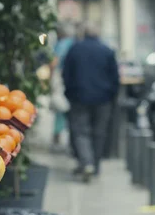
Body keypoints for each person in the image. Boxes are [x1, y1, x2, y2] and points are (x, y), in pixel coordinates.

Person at [63, 22, 119, 182]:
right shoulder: (107, 50)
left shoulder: (75, 49)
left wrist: (69, 92)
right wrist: (111, 95)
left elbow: (66, 74)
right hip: (103, 99)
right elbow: (115, 77)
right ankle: (94, 165)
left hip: (79, 97)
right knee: (99, 133)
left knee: (81, 131)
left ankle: (86, 163)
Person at [50, 24, 75, 147]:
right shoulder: (74, 43)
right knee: (69, 108)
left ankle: (57, 135)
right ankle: (69, 137)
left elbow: (54, 62)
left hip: (61, 78)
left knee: (59, 106)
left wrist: (51, 76)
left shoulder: (61, 44)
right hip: (73, 80)